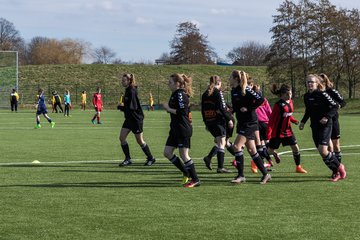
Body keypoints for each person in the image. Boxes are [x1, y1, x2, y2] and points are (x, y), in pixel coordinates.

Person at [299, 74, 346, 182]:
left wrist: (326, 117)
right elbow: (308, 110)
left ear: (317, 84)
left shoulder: (323, 94)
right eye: (308, 82)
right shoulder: (306, 96)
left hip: (326, 126)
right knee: (322, 153)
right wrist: (303, 122)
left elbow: (335, 106)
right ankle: (336, 171)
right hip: (314, 126)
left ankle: (340, 169)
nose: (310, 84)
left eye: (312, 82)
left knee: (323, 150)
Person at [229, 70, 271, 184]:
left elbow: (260, 99)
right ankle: (266, 174)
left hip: (250, 122)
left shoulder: (246, 89)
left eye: (230, 77)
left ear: (236, 79)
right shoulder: (233, 91)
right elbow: (237, 106)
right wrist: (231, 111)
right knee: (252, 150)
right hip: (242, 122)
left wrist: (249, 108)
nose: (229, 79)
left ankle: (241, 175)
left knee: (237, 147)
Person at [163, 73, 200, 188]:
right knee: (167, 152)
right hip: (175, 129)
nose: (168, 84)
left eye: (170, 82)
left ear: (177, 84)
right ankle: (185, 171)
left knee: (184, 155)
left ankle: (195, 179)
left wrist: (168, 109)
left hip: (182, 129)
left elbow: (182, 112)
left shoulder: (180, 94)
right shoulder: (175, 94)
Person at [267, 84, 307, 174]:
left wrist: (293, 120)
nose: (289, 96)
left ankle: (298, 167)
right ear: (281, 95)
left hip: (288, 131)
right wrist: (269, 133)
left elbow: (288, 115)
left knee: (296, 148)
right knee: (269, 151)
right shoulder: (278, 106)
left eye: (290, 93)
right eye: (287, 94)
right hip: (277, 132)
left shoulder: (291, 102)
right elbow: (271, 121)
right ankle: (254, 162)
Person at [117, 73, 156, 166]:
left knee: (140, 141)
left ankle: (151, 158)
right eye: (122, 80)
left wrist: (121, 107)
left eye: (124, 80)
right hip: (129, 119)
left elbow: (132, 107)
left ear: (129, 81)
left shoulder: (132, 91)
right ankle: (128, 159)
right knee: (122, 138)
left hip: (136, 119)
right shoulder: (127, 90)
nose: (122, 82)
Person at [201, 75, 233, 173]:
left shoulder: (204, 94)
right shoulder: (218, 93)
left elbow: (202, 109)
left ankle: (209, 158)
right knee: (222, 143)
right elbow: (222, 108)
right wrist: (229, 119)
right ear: (219, 83)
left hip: (209, 121)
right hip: (218, 121)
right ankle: (220, 167)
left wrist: (205, 122)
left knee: (220, 142)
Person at [319, 73, 346, 163]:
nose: (320, 83)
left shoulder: (332, 91)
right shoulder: (317, 93)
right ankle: (335, 168)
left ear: (325, 81)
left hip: (333, 120)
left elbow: (343, 102)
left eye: (321, 81)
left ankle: (339, 167)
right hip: (323, 122)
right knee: (329, 147)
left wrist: (336, 106)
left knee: (336, 145)